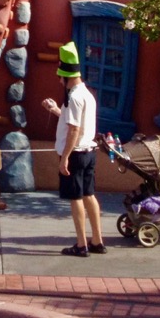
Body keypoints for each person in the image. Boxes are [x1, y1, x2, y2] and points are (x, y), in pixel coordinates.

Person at [42, 40, 106, 257]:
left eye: (60, 77)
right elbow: (75, 122)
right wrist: (55, 110)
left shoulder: (73, 97)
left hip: (76, 154)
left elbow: (74, 130)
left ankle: (81, 244)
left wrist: (65, 158)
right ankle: (97, 240)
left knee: (76, 198)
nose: (59, 81)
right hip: (89, 152)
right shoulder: (87, 94)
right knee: (89, 195)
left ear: (66, 76)